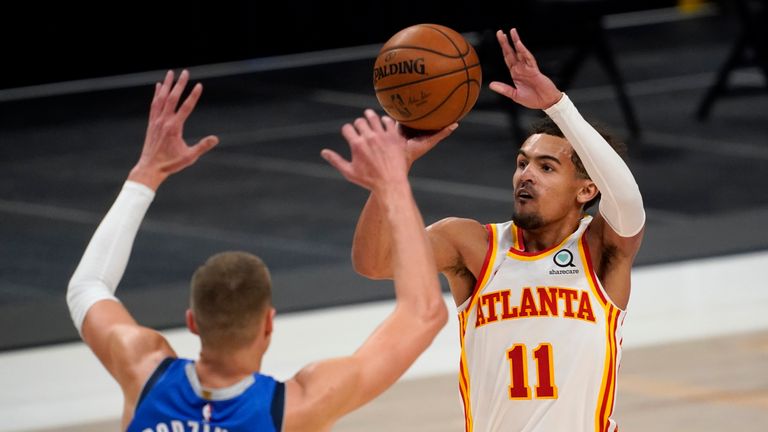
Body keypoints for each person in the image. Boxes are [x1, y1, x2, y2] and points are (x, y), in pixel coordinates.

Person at [66, 69, 448, 431]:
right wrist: (393, 181)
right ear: (268, 323)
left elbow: (87, 287)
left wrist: (145, 172)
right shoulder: (296, 407)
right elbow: (423, 313)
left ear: (193, 321)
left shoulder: (143, 370)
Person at [350, 28, 645, 432]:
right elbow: (372, 263)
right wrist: (391, 177)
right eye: (522, 163)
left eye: (546, 167)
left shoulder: (601, 250)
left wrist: (558, 106)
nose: (526, 175)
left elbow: (628, 199)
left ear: (587, 189)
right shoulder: (473, 245)